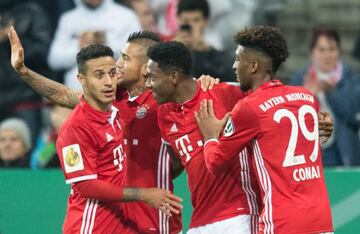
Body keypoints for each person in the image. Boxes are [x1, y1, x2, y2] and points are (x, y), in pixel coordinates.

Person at [9, 27, 182, 233]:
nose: (117, 66)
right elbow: (64, 95)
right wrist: (23, 71)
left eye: (124, 59)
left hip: (156, 217)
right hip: (112, 219)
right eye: (102, 73)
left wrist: (208, 82)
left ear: (146, 68)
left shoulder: (164, 102)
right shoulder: (109, 101)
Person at [195, 25, 334, 233]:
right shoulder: (306, 98)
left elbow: (215, 163)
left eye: (237, 59)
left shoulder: (249, 107)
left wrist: (210, 136)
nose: (234, 66)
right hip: (321, 219)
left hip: (281, 222)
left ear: (252, 66)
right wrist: (325, 127)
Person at [145, 41, 261, 233]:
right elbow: (176, 162)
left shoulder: (225, 94)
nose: (148, 85)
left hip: (239, 214)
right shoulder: (164, 114)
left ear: (174, 76)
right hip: (200, 219)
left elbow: (272, 104)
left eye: (152, 78)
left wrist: (315, 122)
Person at [290, 28, 360, 166]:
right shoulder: (300, 79)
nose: (327, 55)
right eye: (321, 50)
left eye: (332, 49)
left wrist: (331, 92)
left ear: (338, 52)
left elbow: (353, 115)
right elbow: (289, 119)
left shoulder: (351, 79)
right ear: (312, 53)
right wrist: (306, 96)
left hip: (342, 153)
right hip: (309, 153)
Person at [47, 0, 141, 83]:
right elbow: (53, 60)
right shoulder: (68, 19)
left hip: (117, 88)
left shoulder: (127, 16)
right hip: (76, 93)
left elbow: (138, 52)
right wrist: (80, 48)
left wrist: (104, 46)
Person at [0, 0, 52, 145]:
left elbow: (44, 54)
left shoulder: (32, 11)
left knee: (27, 150)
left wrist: (9, 40)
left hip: (25, 95)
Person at [174, 0, 235, 82]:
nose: (191, 26)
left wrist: (199, 51)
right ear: (179, 20)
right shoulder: (167, 53)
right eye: (186, 21)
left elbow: (228, 78)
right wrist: (174, 51)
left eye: (196, 20)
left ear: (206, 21)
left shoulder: (220, 58)